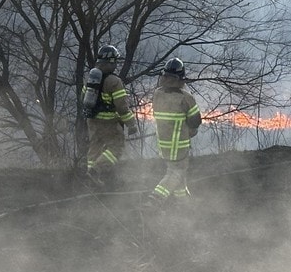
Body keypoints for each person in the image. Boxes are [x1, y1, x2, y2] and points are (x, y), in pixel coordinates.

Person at [81, 44, 138, 185]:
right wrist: (131, 124)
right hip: (108, 123)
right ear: (111, 62)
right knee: (116, 148)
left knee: (95, 147)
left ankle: (90, 178)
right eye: (115, 62)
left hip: (92, 120)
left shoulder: (90, 78)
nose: (116, 65)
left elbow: (83, 98)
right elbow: (122, 107)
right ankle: (95, 170)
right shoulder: (114, 81)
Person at [150, 58, 202, 202]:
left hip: (163, 144)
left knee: (179, 173)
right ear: (181, 79)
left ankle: (183, 203)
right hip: (179, 145)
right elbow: (196, 121)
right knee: (176, 173)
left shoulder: (157, 94)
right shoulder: (186, 98)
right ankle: (155, 199)